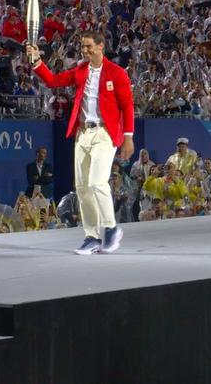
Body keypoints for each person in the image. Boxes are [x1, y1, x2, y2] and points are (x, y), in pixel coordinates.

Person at [28, 30, 134, 255]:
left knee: (97, 183)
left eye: (88, 46)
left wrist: (128, 138)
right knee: (83, 188)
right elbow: (53, 81)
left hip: (105, 133)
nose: (84, 51)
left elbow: (127, 106)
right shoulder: (80, 71)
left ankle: (110, 228)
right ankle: (92, 237)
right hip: (83, 134)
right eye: (82, 47)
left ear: (100, 46)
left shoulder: (117, 73)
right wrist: (37, 61)